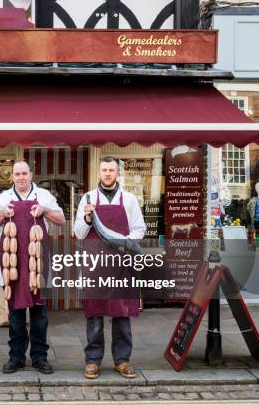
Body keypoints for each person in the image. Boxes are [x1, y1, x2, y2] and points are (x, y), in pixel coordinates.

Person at [0, 161, 65, 374]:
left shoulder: (44, 196)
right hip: (11, 263)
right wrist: (2, 213)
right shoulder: (3, 198)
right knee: (15, 315)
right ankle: (16, 357)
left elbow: (61, 220)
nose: (21, 177)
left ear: (31, 175)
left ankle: (40, 357)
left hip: (37, 263)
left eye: (24, 173)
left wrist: (45, 210)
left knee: (40, 315)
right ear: (12, 176)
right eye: (17, 174)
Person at [74, 156, 146, 380]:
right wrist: (87, 217)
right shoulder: (87, 198)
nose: (107, 173)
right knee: (94, 314)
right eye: (104, 170)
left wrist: (125, 243)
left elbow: (139, 229)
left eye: (111, 170)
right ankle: (93, 361)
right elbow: (78, 233)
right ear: (99, 173)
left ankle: (122, 360)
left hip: (121, 263)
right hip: (95, 264)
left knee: (121, 313)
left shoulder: (129, 199)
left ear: (117, 173)